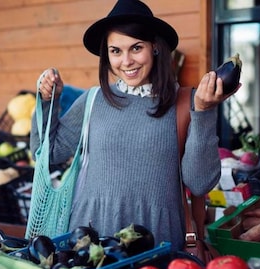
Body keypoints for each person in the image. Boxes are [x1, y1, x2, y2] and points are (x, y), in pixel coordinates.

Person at [30, 0, 240, 251]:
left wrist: (204, 113)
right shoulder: (92, 100)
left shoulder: (186, 103)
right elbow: (48, 153)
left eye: (136, 48)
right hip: (90, 238)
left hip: (157, 240)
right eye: (116, 51)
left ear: (155, 48)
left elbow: (200, 183)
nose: (126, 61)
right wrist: (46, 103)